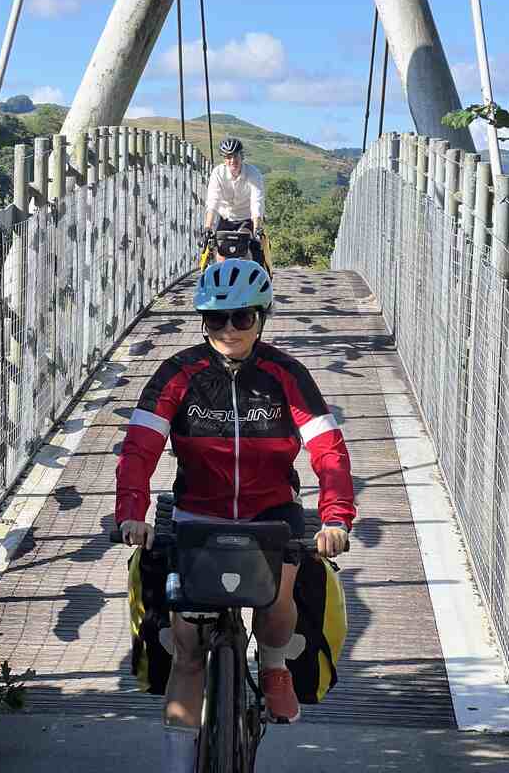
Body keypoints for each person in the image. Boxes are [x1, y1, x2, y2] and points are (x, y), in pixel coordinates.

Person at [115, 259, 355, 773]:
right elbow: (139, 448)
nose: (228, 330)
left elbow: (328, 449)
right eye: (215, 319)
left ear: (261, 317)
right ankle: (179, 765)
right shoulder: (179, 374)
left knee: (279, 594)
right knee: (187, 646)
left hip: (272, 510)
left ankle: (273, 667)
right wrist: (132, 512)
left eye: (241, 318)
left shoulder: (286, 374)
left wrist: (335, 517)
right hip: (197, 512)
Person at [203, 137, 266, 266]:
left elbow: (256, 202)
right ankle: (223, 279)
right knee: (221, 251)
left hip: (246, 218)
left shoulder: (253, 174)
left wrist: (257, 228)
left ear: (241, 156)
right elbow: (213, 201)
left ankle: (245, 279)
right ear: (224, 159)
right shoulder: (218, 173)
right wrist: (208, 227)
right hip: (226, 218)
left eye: (235, 156)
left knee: (243, 247)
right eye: (228, 157)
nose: (232, 161)